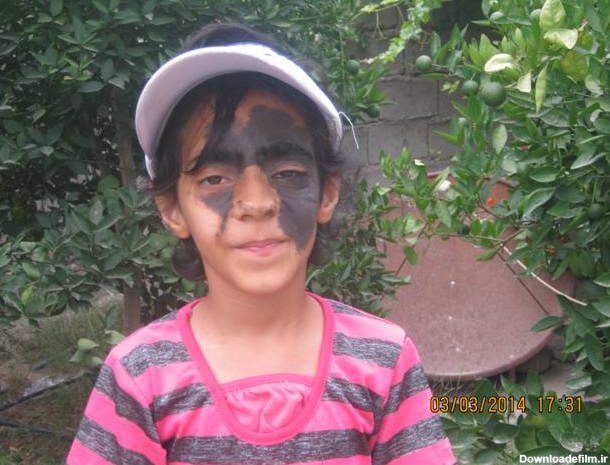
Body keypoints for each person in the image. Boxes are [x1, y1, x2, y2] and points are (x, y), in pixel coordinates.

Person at [66, 23, 456, 465]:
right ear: (172, 209)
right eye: (215, 178)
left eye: (287, 173)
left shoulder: (384, 361)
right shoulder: (139, 376)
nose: (256, 203)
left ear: (327, 193)